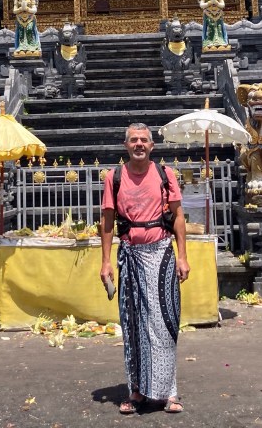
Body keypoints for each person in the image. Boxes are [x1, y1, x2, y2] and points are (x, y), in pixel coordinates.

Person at [100, 123, 190, 415]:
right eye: (133, 140)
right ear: (125, 145)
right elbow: (107, 222)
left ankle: (169, 392)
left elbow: (178, 216)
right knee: (133, 324)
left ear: (152, 146)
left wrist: (182, 256)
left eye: (143, 140)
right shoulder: (114, 177)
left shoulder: (165, 174)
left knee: (165, 323)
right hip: (129, 254)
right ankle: (136, 390)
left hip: (162, 252)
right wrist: (105, 261)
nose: (139, 144)